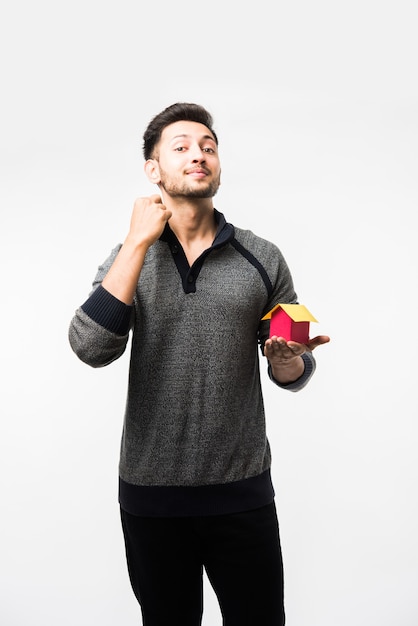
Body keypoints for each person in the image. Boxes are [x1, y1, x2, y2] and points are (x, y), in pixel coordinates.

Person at [68, 102, 330, 626]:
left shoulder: (263, 256)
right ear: (153, 169)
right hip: (151, 495)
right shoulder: (128, 256)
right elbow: (91, 347)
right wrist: (139, 240)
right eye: (182, 146)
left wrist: (285, 362)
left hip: (242, 492)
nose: (199, 155)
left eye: (208, 146)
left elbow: (294, 370)